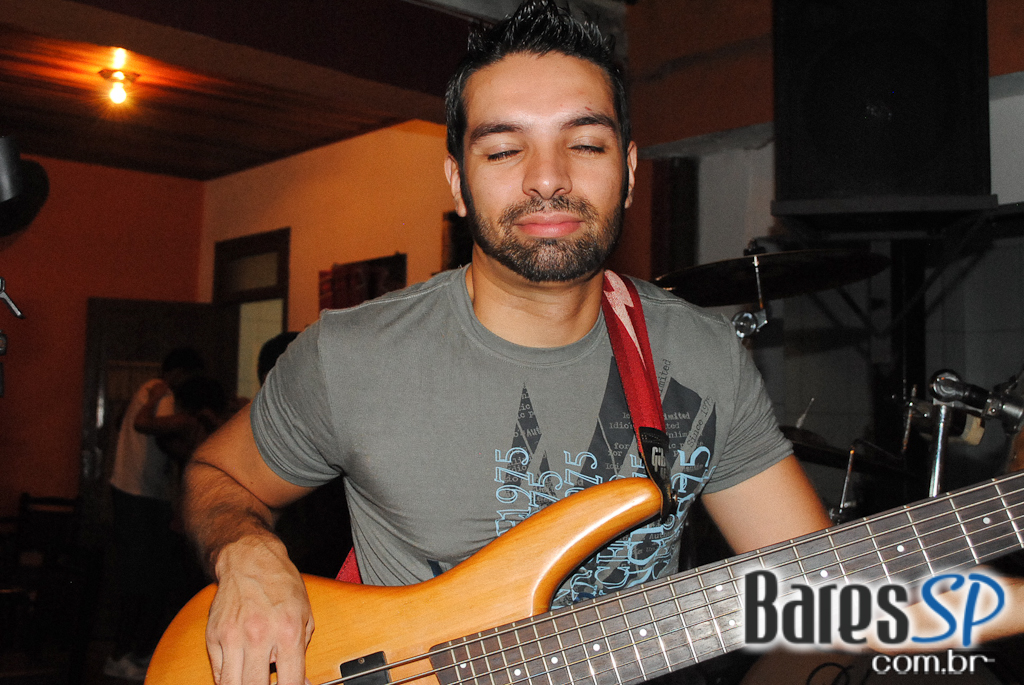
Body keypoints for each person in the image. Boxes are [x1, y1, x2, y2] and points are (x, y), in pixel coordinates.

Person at [181, 3, 1024, 684]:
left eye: (584, 144)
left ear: (627, 169)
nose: (547, 178)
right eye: (503, 149)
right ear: (457, 181)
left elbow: (825, 599)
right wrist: (249, 551)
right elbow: (216, 475)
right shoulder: (352, 354)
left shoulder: (700, 357)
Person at [106, 347, 205, 680]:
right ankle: (125, 654)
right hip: (140, 494)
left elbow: (129, 423)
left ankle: (131, 653)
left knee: (144, 577)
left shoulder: (150, 391)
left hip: (136, 491)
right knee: (144, 578)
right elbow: (146, 426)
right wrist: (193, 424)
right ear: (179, 372)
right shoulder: (160, 393)